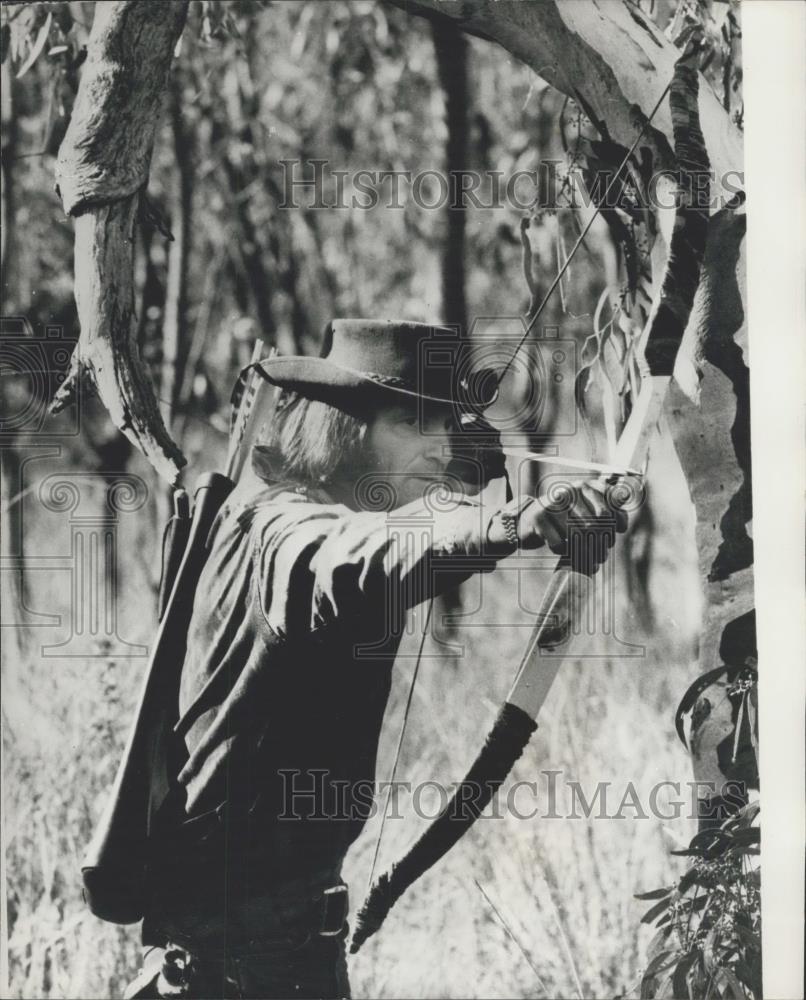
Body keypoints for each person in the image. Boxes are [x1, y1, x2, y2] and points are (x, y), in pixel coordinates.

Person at [125, 319, 625, 999]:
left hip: (272, 950)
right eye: (412, 421)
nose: (440, 446)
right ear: (344, 428)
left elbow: (403, 535)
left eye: (446, 426)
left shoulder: (288, 516)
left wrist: (506, 501)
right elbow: (368, 558)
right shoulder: (295, 536)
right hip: (244, 965)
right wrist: (517, 523)